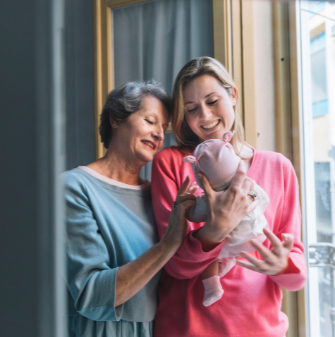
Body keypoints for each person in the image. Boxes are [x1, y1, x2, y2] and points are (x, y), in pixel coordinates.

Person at [151, 57, 307, 337]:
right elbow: (172, 263)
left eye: (212, 101)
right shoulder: (174, 163)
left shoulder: (278, 167)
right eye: (192, 109)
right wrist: (216, 230)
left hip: (261, 330)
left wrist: (283, 264)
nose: (205, 116)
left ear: (232, 95)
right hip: (187, 329)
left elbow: (296, 273)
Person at [62, 81, 196, 337]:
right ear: (115, 119)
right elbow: (91, 295)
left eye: (163, 127)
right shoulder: (74, 187)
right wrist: (168, 244)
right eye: (149, 121)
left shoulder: (158, 193)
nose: (159, 134)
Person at [183, 130, 269, 307]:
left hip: (232, 239)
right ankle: (231, 260)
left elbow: (192, 215)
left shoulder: (210, 199)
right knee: (232, 249)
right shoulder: (249, 184)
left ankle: (213, 288)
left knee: (209, 256)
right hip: (259, 234)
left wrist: (187, 202)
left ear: (200, 175)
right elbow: (265, 199)